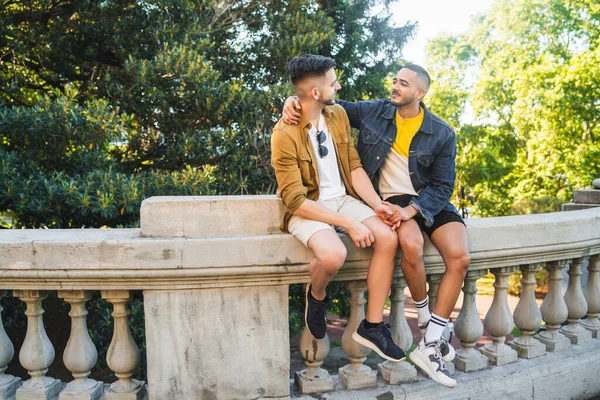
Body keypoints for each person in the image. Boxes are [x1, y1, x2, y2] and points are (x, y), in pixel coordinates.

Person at [282, 64, 470, 388]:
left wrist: (416, 210)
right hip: (390, 200)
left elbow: (443, 185)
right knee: (410, 245)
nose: (395, 87)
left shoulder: (442, 132)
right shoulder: (375, 112)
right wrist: (293, 100)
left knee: (460, 258)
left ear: (420, 93)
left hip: (428, 200)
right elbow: (326, 104)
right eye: (395, 81)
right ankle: (425, 323)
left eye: (403, 83)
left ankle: (432, 338)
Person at [271, 54, 405, 362]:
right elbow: (293, 200)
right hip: (307, 207)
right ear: (316, 93)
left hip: (342, 199)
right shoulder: (284, 133)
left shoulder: (338, 115)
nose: (339, 86)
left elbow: (354, 168)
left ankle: (372, 325)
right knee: (334, 255)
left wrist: (376, 205)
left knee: (387, 237)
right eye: (333, 83)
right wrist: (351, 224)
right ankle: (316, 296)